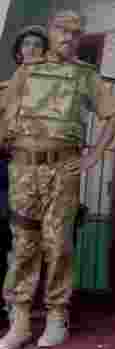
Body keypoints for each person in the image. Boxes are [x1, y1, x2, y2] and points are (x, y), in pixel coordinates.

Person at [0, 10, 115, 349]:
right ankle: (19, 317)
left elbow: (113, 114)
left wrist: (93, 156)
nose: (68, 37)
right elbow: (5, 115)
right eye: (62, 30)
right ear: (50, 33)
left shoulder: (84, 75)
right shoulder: (27, 71)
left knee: (58, 244)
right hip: (23, 170)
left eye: (75, 33)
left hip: (62, 169)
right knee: (23, 244)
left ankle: (56, 314)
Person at [1, 25, 50, 321]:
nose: (32, 49)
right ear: (19, 53)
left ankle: (22, 307)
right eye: (27, 45)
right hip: (6, 170)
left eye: (38, 45)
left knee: (30, 242)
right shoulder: (5, 89)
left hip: (41, 171)